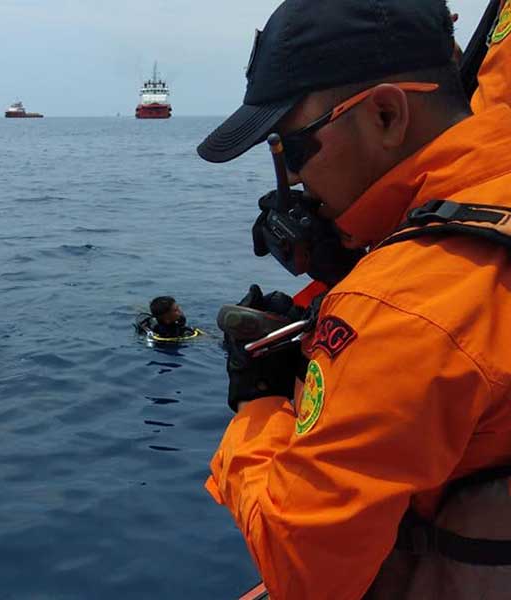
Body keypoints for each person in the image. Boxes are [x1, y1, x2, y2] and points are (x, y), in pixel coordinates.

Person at [197, 1, 511, 599]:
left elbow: (304, 572)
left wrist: (259, 403)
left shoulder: (400, 308)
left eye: (293, 149)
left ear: (387, 114)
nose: (290, 180)